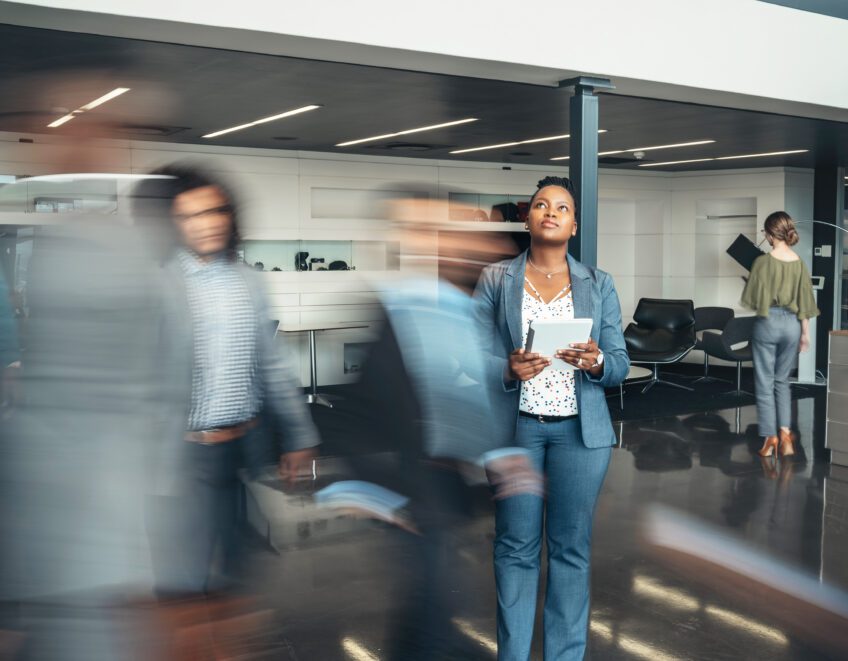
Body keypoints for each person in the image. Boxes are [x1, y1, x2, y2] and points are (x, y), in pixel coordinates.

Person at [352, 192, 542, 660]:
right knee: (430, 622)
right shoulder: (397, 308)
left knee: (424, 619)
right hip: (413, 488)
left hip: (443, 485)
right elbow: (372, 409)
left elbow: (468, 393)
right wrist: (376, 491)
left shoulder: (457, 307)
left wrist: (501, 456)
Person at [143, 164, 319, 599]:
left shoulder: (249, 281)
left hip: (239, 451)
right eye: (190, 215)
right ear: (172, 223)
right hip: (179, 456)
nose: (206, 223)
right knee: (182, 582)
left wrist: (299, 432)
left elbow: (272, 364)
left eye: (215, 211)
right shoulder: (156, 283)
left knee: (238, 574)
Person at [475, 176, 629, 661]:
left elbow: (620, 362)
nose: (550, 212)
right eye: (541, 205)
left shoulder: (598, 283)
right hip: (515, 429)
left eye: (561, 207)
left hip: (580, 437)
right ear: (527, 218)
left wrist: (598, 361)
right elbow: (470, 354)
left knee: (570, 551)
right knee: (516, 548)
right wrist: (506, 366)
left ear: (574, 224)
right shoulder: (497, 279)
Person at [740, 211, 819, 458]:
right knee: (782, 382)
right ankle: (786, 434)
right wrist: (805, 334)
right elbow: (806, 302)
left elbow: (752, 300)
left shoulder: (763, 263)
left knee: (764, 383)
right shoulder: (798, 263)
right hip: (793, 326)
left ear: (769, 234)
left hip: (769, 322)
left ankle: (770, 437)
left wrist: (751, 282)